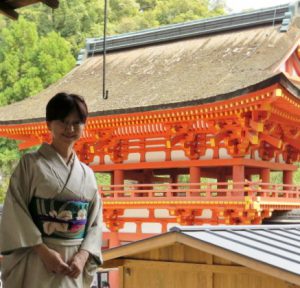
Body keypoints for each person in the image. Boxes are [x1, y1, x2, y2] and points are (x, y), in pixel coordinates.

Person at [0, 92, 102, 287]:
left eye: (76, 122)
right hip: (38, 257)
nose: (70, 128)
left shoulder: (87, 174)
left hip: (74, 264)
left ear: (84, 125)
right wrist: (44, 253)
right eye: (63, 121)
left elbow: (95, 222)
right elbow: (16, 210)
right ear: (49, 124)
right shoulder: (31, 164)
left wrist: (82, 256)